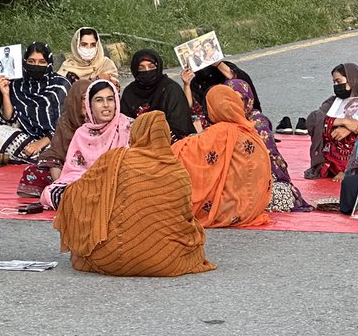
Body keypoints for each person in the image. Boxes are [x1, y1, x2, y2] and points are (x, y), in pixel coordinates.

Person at [53, 114, 215, 278]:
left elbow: (79, 192)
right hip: (167, 261)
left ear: (136, 133)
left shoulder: (116, 158)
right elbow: (184, 218)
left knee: (74, 193)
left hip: (109, 258)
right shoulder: (178, 171)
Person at [169, 84, 272, 228]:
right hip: (254, 207)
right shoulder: (250, 130)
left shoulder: (219, 132)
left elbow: (186, 154)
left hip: (229, 209)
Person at [41, 80, 132, 210]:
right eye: (99, 100)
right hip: (87, 183)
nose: (106, 105)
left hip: (119, 182)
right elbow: (74, 170)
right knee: (51, 192)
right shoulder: (82, 133)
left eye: (110, 99)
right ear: (90, 105)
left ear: (116, 103)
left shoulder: (128, 126)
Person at [222, 79, 311, 212]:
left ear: (248, 101)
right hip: (229, 180)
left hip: (259, 178)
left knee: (281, 195)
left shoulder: (258, 123)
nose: (234, 103)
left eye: (239, 99)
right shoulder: (219, 119)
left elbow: (270, 158)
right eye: (230, 98)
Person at [0, 42, 70, 161]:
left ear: (49, 63)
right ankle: (40, 158)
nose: (36, 65)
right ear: (25, 62)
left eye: (42, 62)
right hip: (26, 138)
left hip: (54, 140)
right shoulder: (18, 85)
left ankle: (40, 157)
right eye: (31, 61)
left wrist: (40, 143)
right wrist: (5, 94)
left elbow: (67, 124)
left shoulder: (61, 85)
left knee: (61, 149)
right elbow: (10, 118)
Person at [303, 63, 358, 180]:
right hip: (335, 157)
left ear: (351, 80)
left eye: (339, 81)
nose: (336, 85)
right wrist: (343, 122)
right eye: (334, 82)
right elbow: (313, 120)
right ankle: (339, 168)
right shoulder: (334, 102)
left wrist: (350, 129)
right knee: (324, 126)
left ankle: (351, 170)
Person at [119, 48, 193, 140]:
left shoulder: (170, 89)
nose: (147, 71)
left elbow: (180, 125)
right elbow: (123, 125)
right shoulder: (129, 92)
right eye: (141, 68)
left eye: (151, 67)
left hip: (170, 143)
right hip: (137, 144)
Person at [182, 59, 263, 122]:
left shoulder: (256, 122)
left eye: (239, 98)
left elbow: (238, 80)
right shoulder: (213, 126)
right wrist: (187, 84)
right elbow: (190, 106)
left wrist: (217, 63)